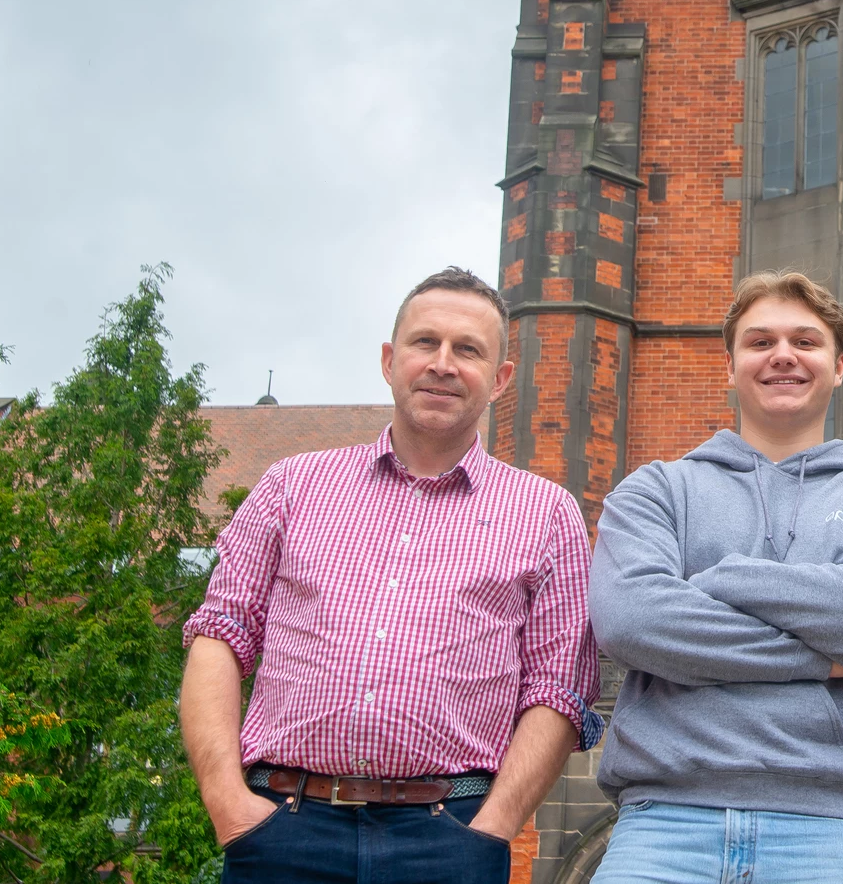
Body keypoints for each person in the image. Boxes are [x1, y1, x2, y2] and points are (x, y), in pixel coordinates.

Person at [181, 267, 601, 884]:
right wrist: (229, 807)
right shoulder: (292, 486)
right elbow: (219, 635)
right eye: (425, 343)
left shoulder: (546, 515)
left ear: (501, 379)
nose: (442, 364)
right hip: (282, 825)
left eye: (468, 350)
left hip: (448, 833)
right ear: (389, 359)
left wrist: (494, 825)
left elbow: (560, 685)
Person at [589, 270, 843, 884]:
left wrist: (723, 578)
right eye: (761, 342)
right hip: (663, 826)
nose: (783, 355)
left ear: (837, 366)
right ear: (730, 366)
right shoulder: (656, 490)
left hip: (833, 833)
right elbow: (633, 620)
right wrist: (819, 660)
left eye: (805, 342)